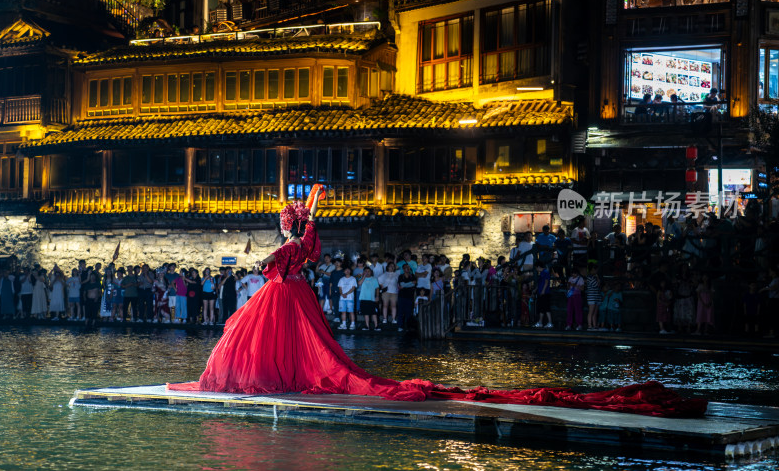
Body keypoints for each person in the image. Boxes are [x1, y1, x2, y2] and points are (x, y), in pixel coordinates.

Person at [167, 187, 708, 419]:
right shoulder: (304, 245)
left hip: (282, 298)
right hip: (297, 298)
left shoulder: (286, 249)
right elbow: (308, 243)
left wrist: (282, 239)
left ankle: (277, 380)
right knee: (311, 352)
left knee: (277, 354)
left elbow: (269, 267)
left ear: (285, 225)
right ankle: (286, 378)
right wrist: (309, 218)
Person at [358, 267, 381, 331]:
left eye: (369, 271)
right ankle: (367, 326)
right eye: (366, 271)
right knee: (366, 313)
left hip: (372, 299)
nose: (367, 272)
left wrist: (377, 296)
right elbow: (359, 283)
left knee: (374, 313)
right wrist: (363, 276)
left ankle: (376, 326)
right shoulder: (362, 278)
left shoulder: (374, 279)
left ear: (371, 272)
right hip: (363, 298)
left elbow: (377, 288)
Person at [533, 261, 553, 329]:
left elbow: (546, 282)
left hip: (544, 293)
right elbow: (540, 283)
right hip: (541, 292)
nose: (536, 269)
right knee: (542, 308)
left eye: (536, 268)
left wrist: (543, 290)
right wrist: (536, 289)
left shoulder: (545, 272)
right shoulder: (542, 273)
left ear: (538, 267)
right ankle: (541, 322)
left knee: (546, 307)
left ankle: (549, 322)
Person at [397, 264, 417, 333]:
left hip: (410, 297)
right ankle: (400, 326)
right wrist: (410, 283)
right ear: (403, 269)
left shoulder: (413, 276)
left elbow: (414, 284)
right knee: (400, 312)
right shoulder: (401, 276)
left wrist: (405, 285)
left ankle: (408, 326)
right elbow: (401, 285)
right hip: (402, 297)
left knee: (409, 313)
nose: (407, 269)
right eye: (405, 268)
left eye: (408, 267)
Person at [585, 264, 601, 330]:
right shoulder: (589, 277)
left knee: (595, 312)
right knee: (591, 312)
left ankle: (594, 325)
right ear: (593, 269)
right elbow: (596, 285)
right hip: (591, 297)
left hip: (596, 296)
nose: (597, 271)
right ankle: (589, 325)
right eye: (596, 269)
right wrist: (597, 278)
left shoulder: (593, 277)